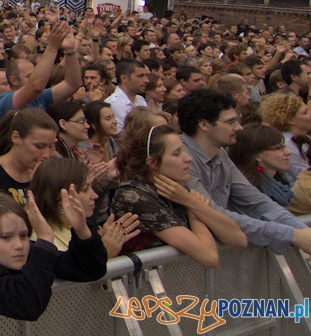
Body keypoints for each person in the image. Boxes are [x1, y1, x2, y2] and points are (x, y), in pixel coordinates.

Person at [177, 89, 311, 255]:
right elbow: (214, 215)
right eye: (231, 122)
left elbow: (256, 201)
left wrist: (302, 232)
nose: (239, 127)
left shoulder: (220, 154)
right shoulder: (181, 159)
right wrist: (292, 235)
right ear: (204, 125)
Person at [0, 189, 105, 321]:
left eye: (23, 235)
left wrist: (82, 231)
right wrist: (45, 243)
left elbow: (90, 270)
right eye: (6, 237)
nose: (19, 245)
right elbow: (27, 303)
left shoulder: (30, 252)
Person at [111, 124, 247, 267]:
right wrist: (192, 208)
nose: (188, 158)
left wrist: (192, 202)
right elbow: (209, 256)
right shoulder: (134, 195)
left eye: (184, 151)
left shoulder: (177, 188)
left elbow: (239, 239)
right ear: (152, 162)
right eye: (177, 153)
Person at [30, 157, 139, 257]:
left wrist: (98, 242)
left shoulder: (80, 230)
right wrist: (104, 253)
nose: (95, 195)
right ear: (61, 197)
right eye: (85, 189)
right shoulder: (38, 243)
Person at [0, 108, 58, 203]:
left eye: (50, 146)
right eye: (39, 146)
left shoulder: (46, 172)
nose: (46, 155)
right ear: (16, 137)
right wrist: (35, 187)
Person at [229, 124, 295, 208]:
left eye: (284, 147)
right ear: (258, 155)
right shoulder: (249, 190)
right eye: (279, 148)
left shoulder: (281, 179)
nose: (288, 152)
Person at [259, 92, 311, 183]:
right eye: (305, 112)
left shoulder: (304, 137)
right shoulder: (286, 143)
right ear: (291, 120)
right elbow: (305, 175)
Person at [107, 60, 149, 131]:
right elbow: (124, 134)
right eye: (140, 76)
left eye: (145, 76)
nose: (146, 80)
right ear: (124, 78)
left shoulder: (140, 99)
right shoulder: (114, 104)